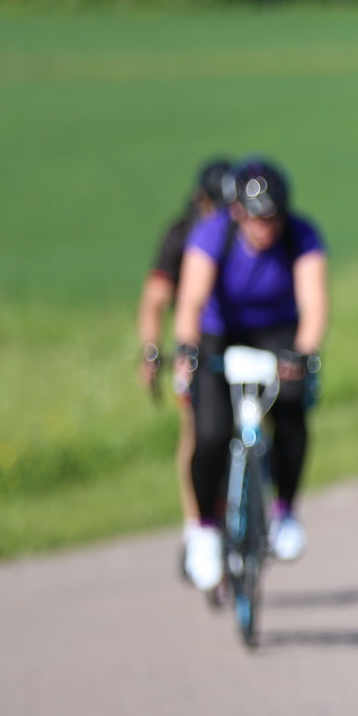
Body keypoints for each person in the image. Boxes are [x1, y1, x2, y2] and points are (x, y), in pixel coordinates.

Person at [172, 157, 330, 592]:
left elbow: (314, 304)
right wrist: (186, 348)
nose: (266, 228)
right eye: (257, 218)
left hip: (277, 330)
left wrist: (303, 351)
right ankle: (204, 530)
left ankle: (285, 511)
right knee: (209, 434)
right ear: (238, 212)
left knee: (292, 409)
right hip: (218, 333)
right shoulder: (213, 234)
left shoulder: (301, 235)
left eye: (273, 218)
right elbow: (190, 301)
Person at [138, 157, 232, 558]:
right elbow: (156, 300)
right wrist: (152, 352)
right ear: (200, 200)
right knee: (195, 430)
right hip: (195, 343)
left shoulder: (245, 232)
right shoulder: (181, 235)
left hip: (238, 337)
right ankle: (197, 522)